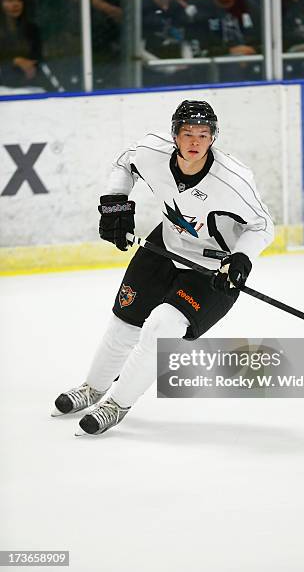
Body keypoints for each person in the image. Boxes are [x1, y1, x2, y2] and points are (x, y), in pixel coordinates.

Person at [51, 100, 274, 436]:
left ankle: (116, 404)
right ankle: (93, 388)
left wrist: (241, 259)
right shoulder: (151, 151)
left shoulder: (233, 180)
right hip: (164, 246)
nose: (195, 142)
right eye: (187, 133)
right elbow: (124, 163)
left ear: (214, 137)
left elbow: (262, 225)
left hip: (211, 270)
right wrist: (115, 202)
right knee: (124, 323)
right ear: (174, 135)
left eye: (203, 134)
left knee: (159, 327)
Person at [187, 0, 262, 82]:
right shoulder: (200, 10)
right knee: (231, 67)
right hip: (213, 67)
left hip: (250, 61)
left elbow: (265, 42)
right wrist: (230, 52)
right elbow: (198, 50)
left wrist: (251, 51)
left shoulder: (250, 9)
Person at [142, 0, 193, 86]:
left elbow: (186, 41)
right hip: (150, 73)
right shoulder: (141, 9)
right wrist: (168, 68)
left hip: (181, 70)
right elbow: (137, 51)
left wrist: (188, 62)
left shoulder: (177, 7)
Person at [0, 0, 43, 89]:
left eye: (19, 0)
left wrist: (31, 66)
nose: (16, 4)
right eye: (10, 0)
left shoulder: (32, 29)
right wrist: (15, 61)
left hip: (29, 86)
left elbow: (38, 58)